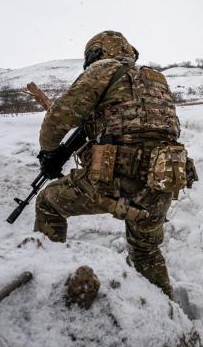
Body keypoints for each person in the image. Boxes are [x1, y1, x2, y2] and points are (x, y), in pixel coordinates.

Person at [34, 31, 192, 298]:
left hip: (114, 178)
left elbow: (59, 116)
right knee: (146, 251)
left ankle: (46, 282)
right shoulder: (155, 79)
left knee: (48, 204)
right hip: (162, 180)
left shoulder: (103, 69)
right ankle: (169, 315)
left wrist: (49, 153)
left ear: (97, 53)